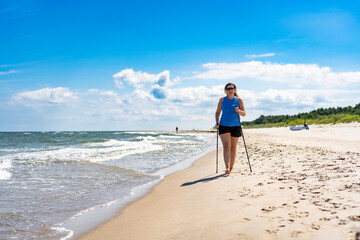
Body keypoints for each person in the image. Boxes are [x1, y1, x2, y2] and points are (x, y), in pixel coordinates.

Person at [215, 83, 246, 174]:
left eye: (232, 88)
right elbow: (217, 112)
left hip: (236, 126)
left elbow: (244, 114)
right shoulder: (222, 100)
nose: (230, 90)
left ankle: (231, 168)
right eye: (228, 88)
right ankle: (227, 167)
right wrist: (217, 122)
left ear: (235, 90)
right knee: (226, 146)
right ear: (225, 90)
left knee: (233, 148)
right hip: (224, 125)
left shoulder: (239, 100)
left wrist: (239, 110)